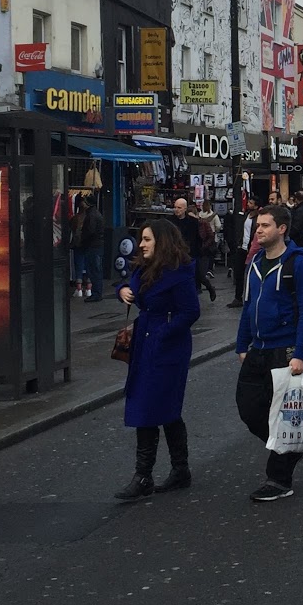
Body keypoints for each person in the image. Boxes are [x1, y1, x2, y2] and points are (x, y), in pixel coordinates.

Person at [235, 204, 303, 502]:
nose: (258, 230)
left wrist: (300, 352)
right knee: (249, 410)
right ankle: (290, 447)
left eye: (265, 225)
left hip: (283, 351)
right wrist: (241, 344)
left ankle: (279, 478)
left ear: (281, 229)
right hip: (256, 350)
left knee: (285, 416)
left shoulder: (298, 263)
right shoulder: (256, 262)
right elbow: (248, 306)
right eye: (258, 225)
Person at [112, 221, 201, 500]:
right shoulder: (145, 267)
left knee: (156, 406)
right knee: (154, 406)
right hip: (144, 343)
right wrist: (122, 291)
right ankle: (179, 470)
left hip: (167, 348)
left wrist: (164, 332)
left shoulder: (179, 274)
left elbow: (190, 312)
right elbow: (132, 287)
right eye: (142, 239)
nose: (141, 244)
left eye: (147, 239)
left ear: (161, 241)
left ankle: (144, 476)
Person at [70, 195, 108, 302]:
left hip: (93, 246)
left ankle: (96, 294)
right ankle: (96, 292)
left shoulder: (91, 215)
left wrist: (82, 240)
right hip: (95, 245)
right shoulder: (94, 214)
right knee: (95, 269)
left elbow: (90, 231)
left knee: (94, 270)